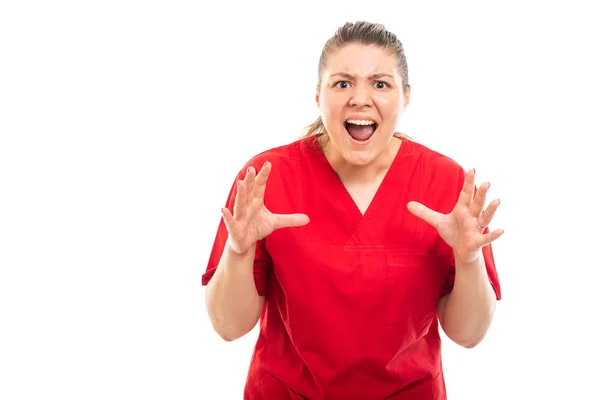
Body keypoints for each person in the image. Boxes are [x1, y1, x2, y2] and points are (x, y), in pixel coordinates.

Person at [202, 20, 503, 400]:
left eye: (380, 84)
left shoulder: (447, 184)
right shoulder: (265, 180)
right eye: (342, 83)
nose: (360, 98)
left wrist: (470, 258)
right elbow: (228, 326)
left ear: (406, 96)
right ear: (317, 95)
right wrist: (238, 251)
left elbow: (469, 335)